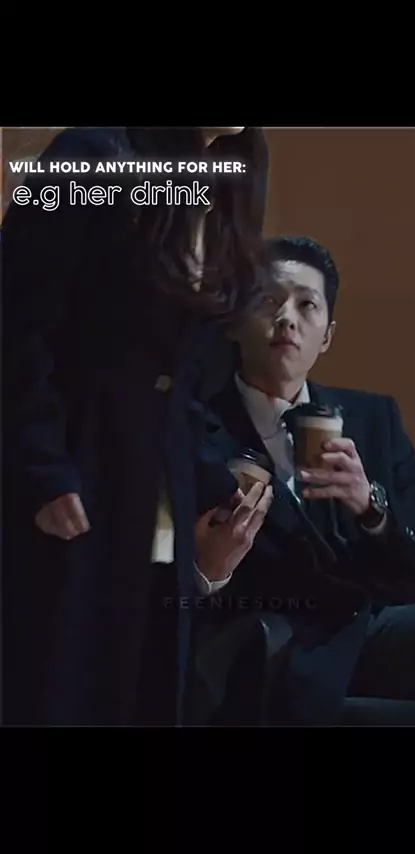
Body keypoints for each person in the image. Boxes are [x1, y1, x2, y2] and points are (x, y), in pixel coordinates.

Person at [2, 126, 273, 727]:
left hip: (160, 511)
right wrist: (42, 467)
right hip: (74, 480)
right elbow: (15, 325)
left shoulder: (231, 181)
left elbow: (182, 381)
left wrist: (219, 478)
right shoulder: (91, 154)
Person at [196, 235, 415, 725]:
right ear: (236, 323)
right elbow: (162, 581)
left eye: (306, 305)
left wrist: (371, 505)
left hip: (387, 628)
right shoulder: (196, 428)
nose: (287, 318)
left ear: (326, 336)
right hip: (287, 652)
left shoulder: (372, 418)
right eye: (268, 301)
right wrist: (209, 570)